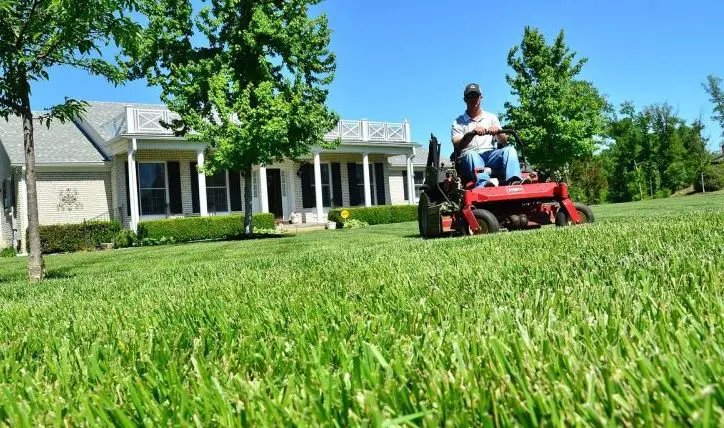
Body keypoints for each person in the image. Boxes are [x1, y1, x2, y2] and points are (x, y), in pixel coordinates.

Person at [451, 83, 528, 187]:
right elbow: (457, 145)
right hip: (468, 159)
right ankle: (484, 184)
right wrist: (472, 133)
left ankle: (514, 181)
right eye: (470, 96)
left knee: (510, 150)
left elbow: (504, 141)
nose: (474, 99)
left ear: (481, 97)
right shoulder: (458, 122)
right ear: (465, 99)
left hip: (491, 155)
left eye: (476, 96)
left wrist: (498, 132)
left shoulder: (491, 117)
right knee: (471, 154)